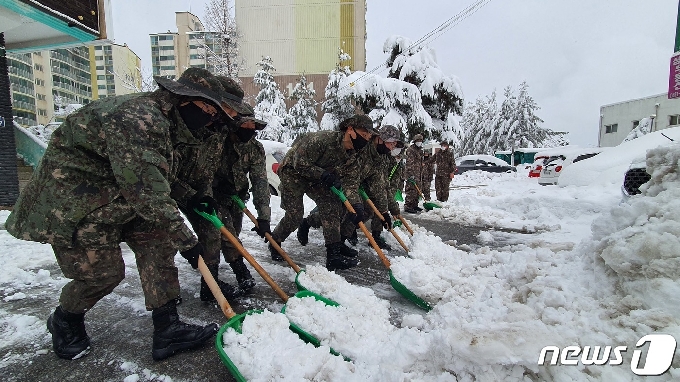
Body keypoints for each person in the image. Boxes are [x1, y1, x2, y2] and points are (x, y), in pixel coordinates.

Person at [5, 68, 239, 361]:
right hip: (75, 203)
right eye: (209, 111)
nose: (211, 120)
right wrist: (189, 242)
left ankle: (168, 329)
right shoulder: (140, 119)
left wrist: (191, 198)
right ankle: (65, 320)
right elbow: (147, 191)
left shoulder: (166, 123)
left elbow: (155, 175)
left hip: (121, 197)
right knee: (103, 275)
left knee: (158, 246)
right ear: (185, 100)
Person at [171, 76, 264, 303]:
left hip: (202, 190)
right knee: (165, 245)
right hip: (167, 188)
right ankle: (167, 303)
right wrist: (196, 192)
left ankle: (213, 283)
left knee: (218, 231)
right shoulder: (181, 124)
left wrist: (264, 216)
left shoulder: (221, 131)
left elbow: (210, 168)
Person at [270, 115, 378, 271]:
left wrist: (356, 204)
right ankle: (275, 241)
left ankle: (333, 256)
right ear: (349, 129)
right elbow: (298, 162)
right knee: (294, 215)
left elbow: (351, 181)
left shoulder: (354, 154)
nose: (366, 138)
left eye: (368, 136)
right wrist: (321, 174)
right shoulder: (322, 140)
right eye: (363, 133)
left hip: (319, 178)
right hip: (293, 174)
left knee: (332, 205)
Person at [299, 125, 399, 251]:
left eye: (394, 144)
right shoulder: (362, 146)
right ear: (379, 139)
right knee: (336, 213)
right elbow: (347, 169)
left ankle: (341, 240)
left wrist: (384, 211)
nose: (392, 147)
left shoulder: (381, 156)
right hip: (338, 180)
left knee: (364, 212)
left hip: (356, 184)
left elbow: (380, 185)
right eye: (390, 143)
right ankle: (308, 222)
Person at [211, 82, 269, 294]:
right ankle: (237, 272)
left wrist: (264, 217)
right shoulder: (219, 139)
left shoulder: (255, 148)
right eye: (246, 126)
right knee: (226, 235)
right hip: (212, 195)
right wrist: (215, 183)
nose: (250, 130)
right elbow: (201, 169)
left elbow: (260, 181)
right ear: (235, 124)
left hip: (236, 196)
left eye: (253, 127)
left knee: (232, 233)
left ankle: (231, 267)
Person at [404, 134, 426, 213]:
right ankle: (408, 206)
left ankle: (414, 205)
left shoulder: (420, 150)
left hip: (418, 173)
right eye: (418, 141)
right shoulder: (410, 150)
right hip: (412, 173)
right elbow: (409, 163)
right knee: (411, 189)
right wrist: (410, 174)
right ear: (415, 141)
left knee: (417, 189)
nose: (419, 142)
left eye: (420, 141)